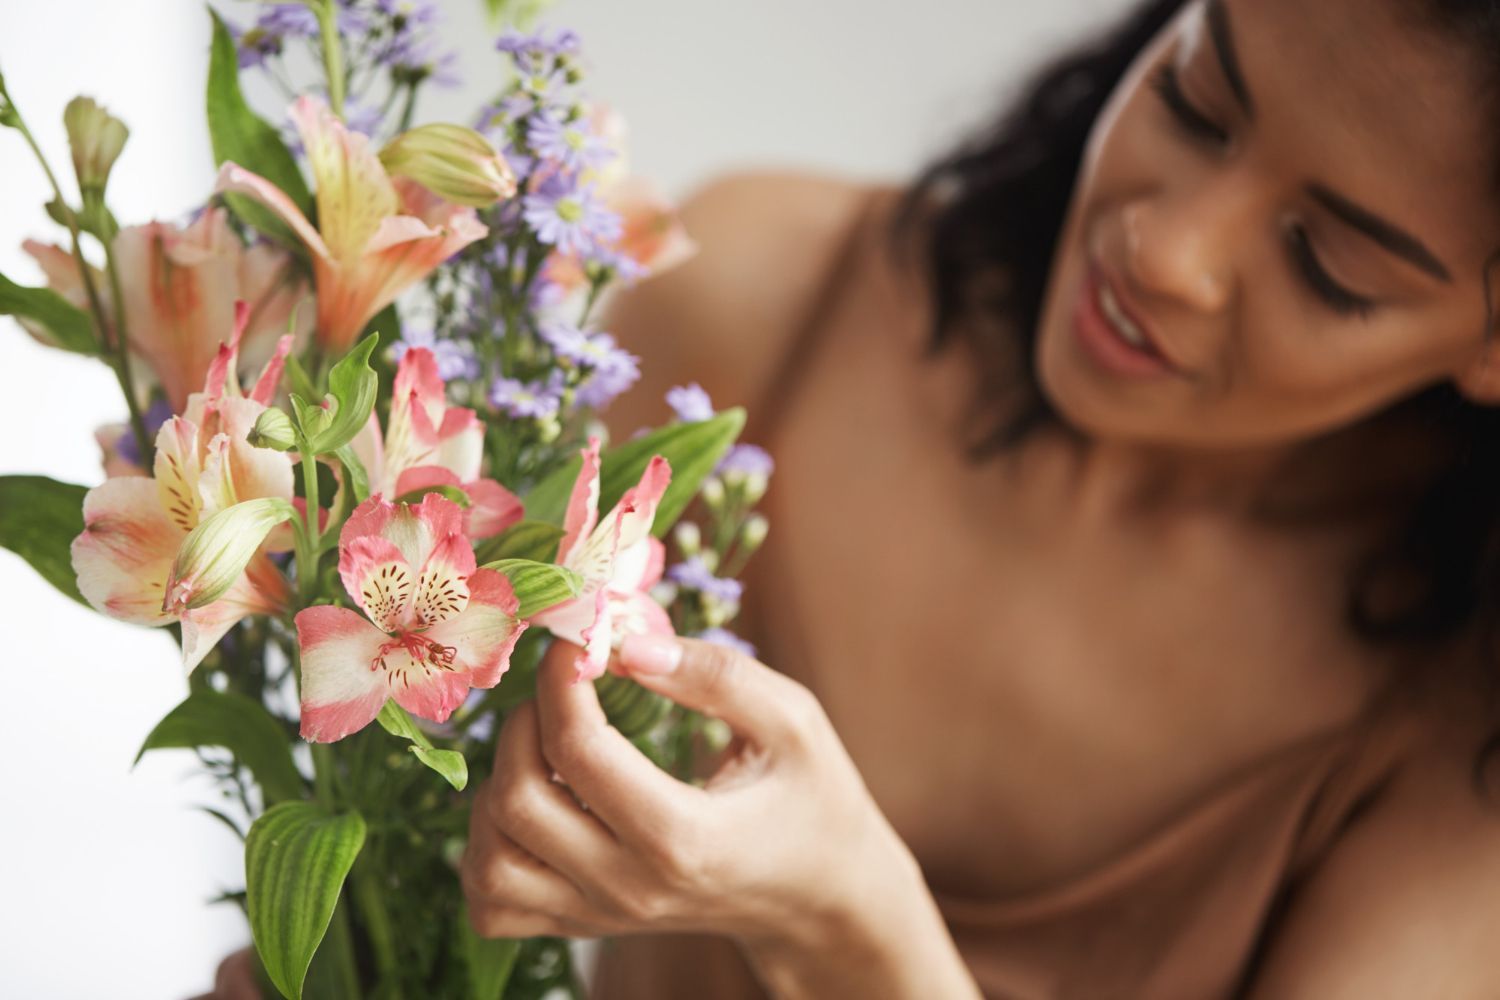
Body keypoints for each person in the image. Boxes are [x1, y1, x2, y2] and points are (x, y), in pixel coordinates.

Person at [215, 0, 1500, 995]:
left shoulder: (1462, 759)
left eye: (1327, 264)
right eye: (1196, 99)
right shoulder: (760, 299)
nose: (1165, 248)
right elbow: (428, 849)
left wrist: (844, 926)